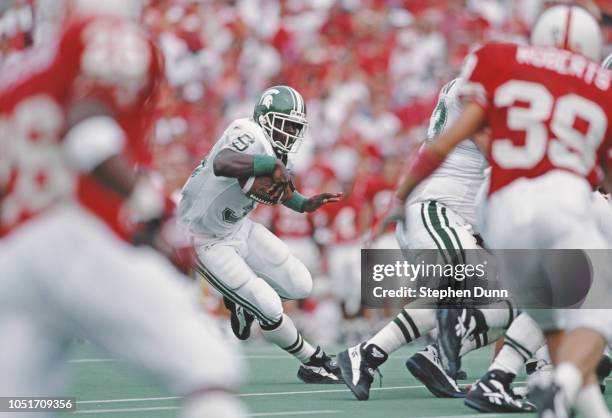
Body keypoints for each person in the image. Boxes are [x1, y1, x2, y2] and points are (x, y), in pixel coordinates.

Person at [0, 1, 246, 417]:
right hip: (73, 237)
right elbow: (90, 136)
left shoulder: (15, 75)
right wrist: (156, 215)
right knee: (210, 369)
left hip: (15, 262)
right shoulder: (103, 34)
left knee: (21, 403)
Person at [392, 5, 612, 418]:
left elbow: (446, 142)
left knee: (548, 307)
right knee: (598, 313)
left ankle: (514, 376)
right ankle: (552, 380)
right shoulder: (599, 87)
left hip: (501, 207)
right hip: (565, 201)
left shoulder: (501, 60)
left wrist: (399, 196)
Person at [336, 77, 518, 403]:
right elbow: (499, 152)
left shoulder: (477, 90)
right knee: (489, 293)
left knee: (503, 301)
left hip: (449, 217)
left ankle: (373, 355)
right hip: (438, 210)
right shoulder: (473, 93)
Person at [178, 85, 343, 383]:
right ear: (266, 118)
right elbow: (222, 163)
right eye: (286, 125)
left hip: (238, 227)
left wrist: (304, 204)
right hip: (202, 238)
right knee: (268, 305)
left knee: (301, 284)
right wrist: (272, 164)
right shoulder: (248, 131)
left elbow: (281, 188)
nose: (291, 132)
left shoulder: (278, 154)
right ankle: (312, 361)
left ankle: (240, 302)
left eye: (296, 127)